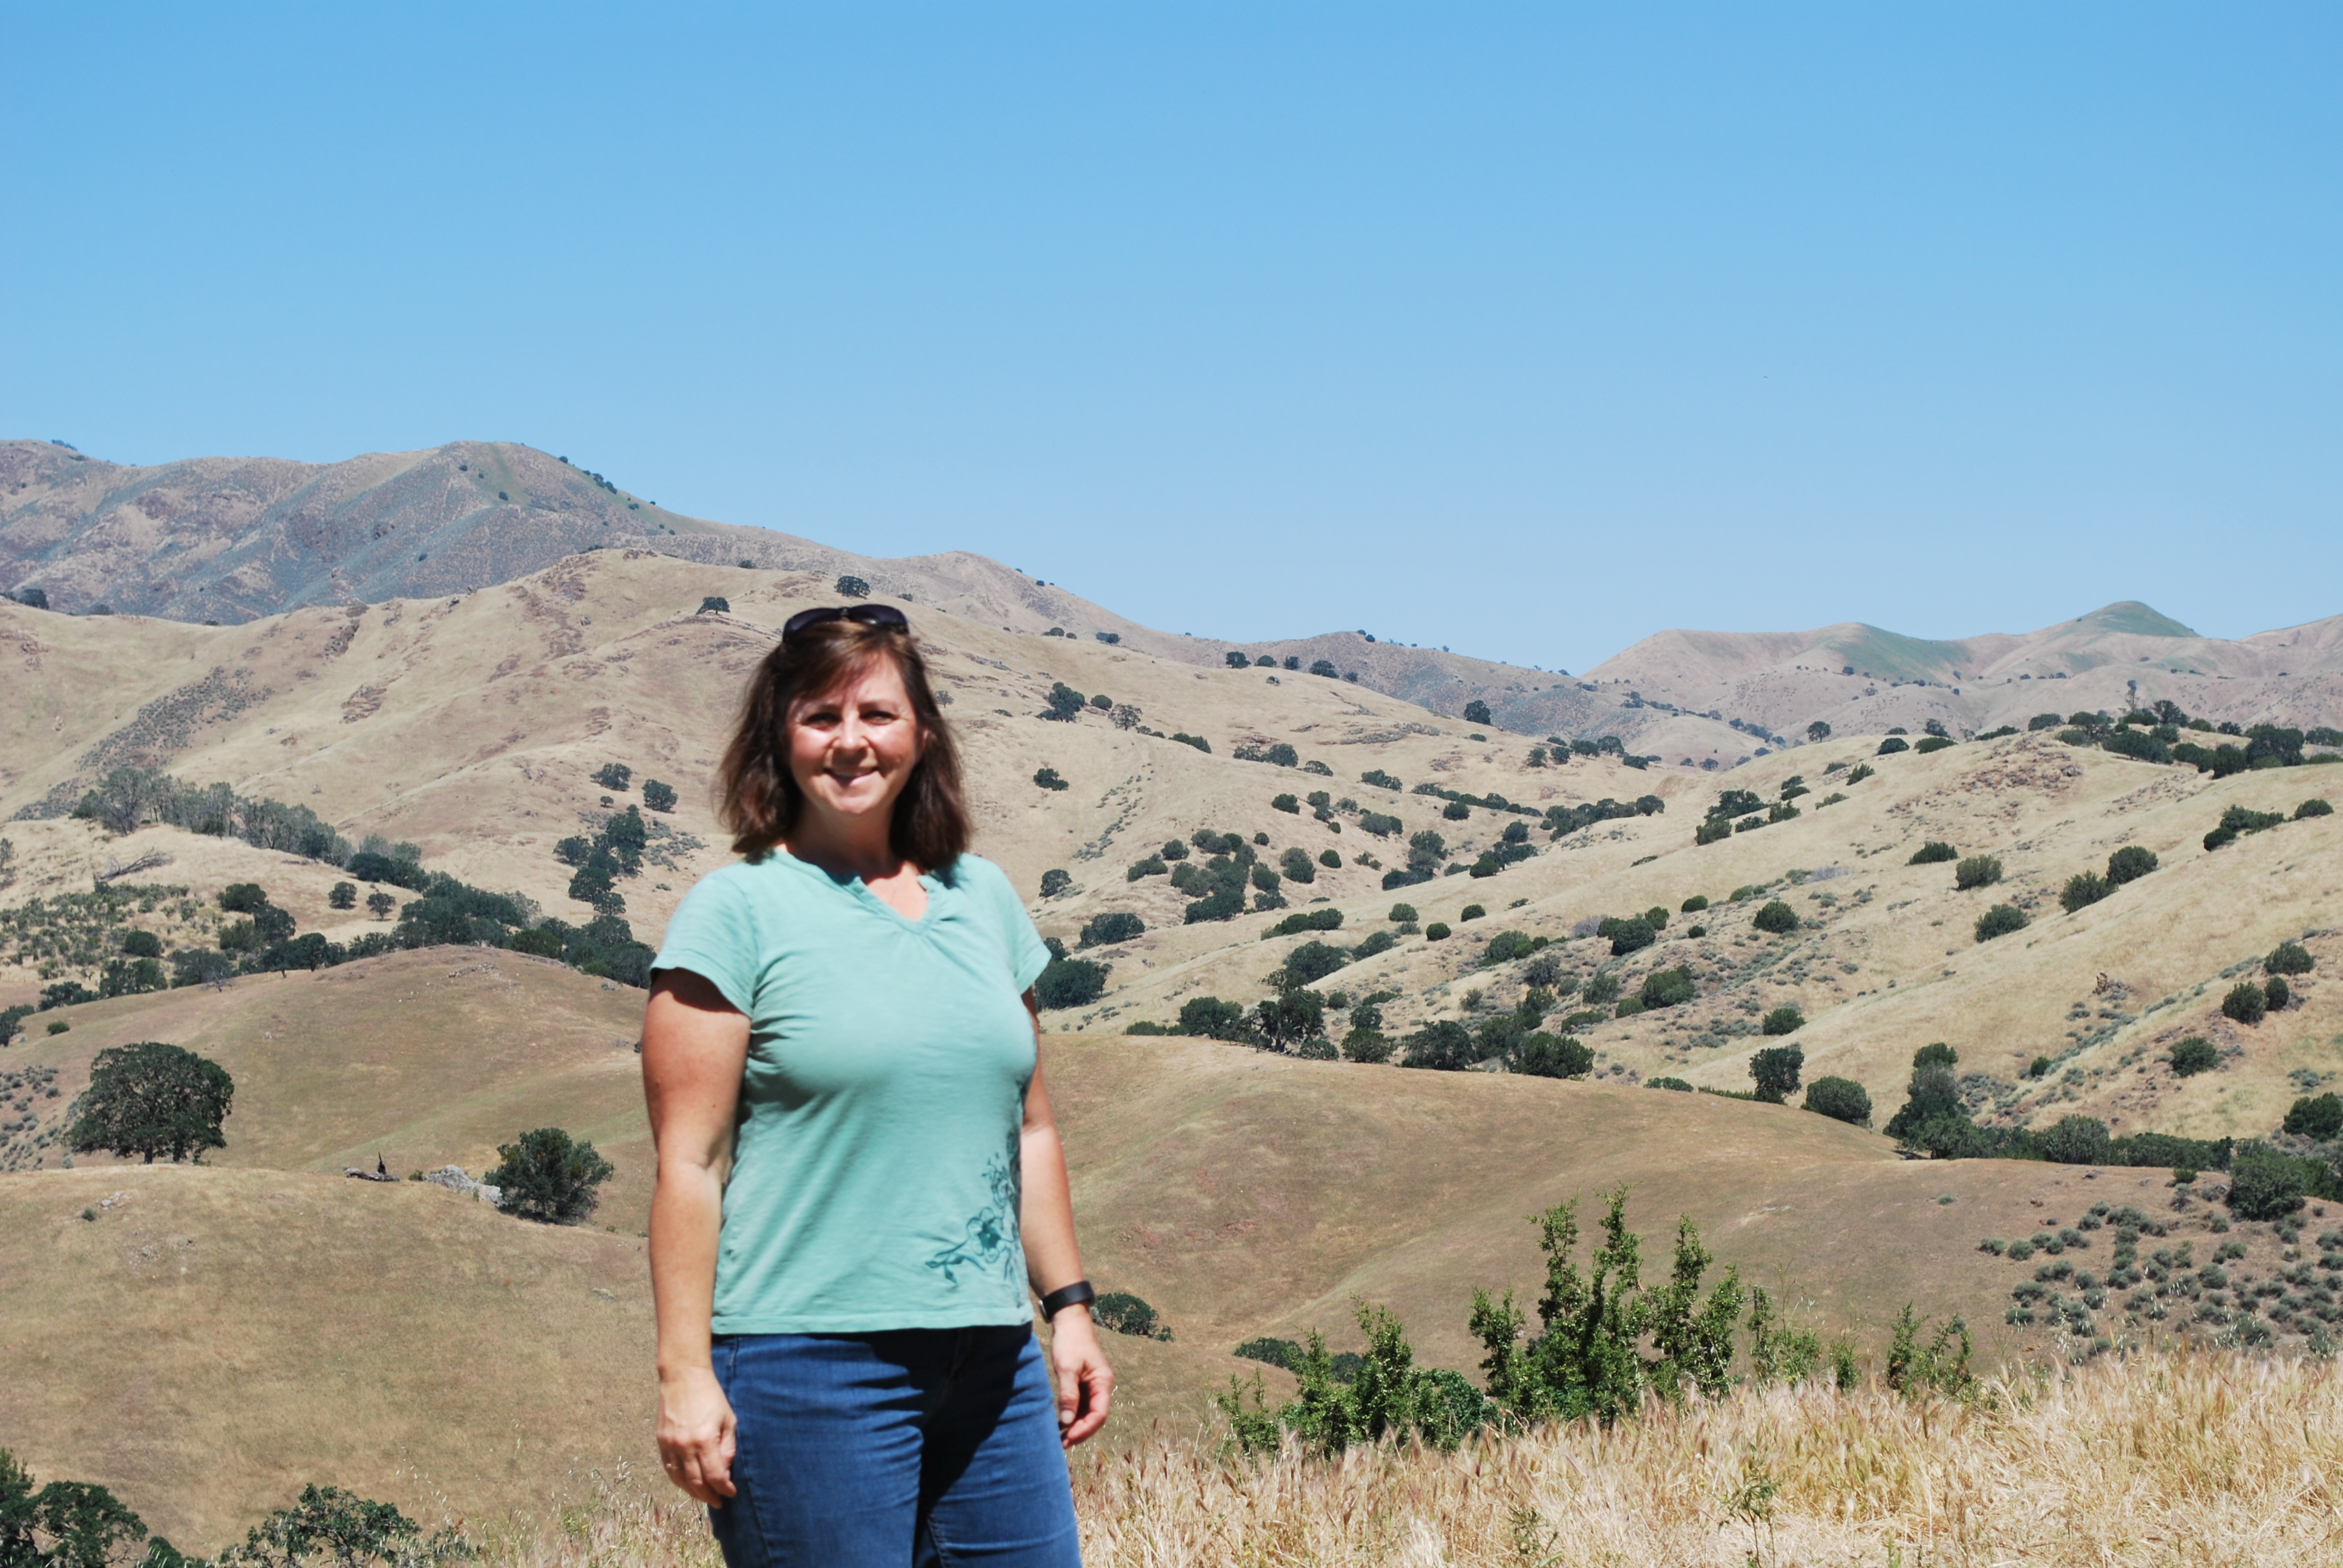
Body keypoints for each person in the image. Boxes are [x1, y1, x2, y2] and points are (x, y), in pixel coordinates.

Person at [642, 603, 1112, 1566]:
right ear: (781, 737)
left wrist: (1067, 1310)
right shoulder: (737, 912)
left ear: (922, 734)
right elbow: (689, 1164)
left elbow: (1028, 1130)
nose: (850, 743)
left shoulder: (981, 897)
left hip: (992, 1359)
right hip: (807, 1365)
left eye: (878, 715)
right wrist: (685, 1374)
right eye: (820, 717)